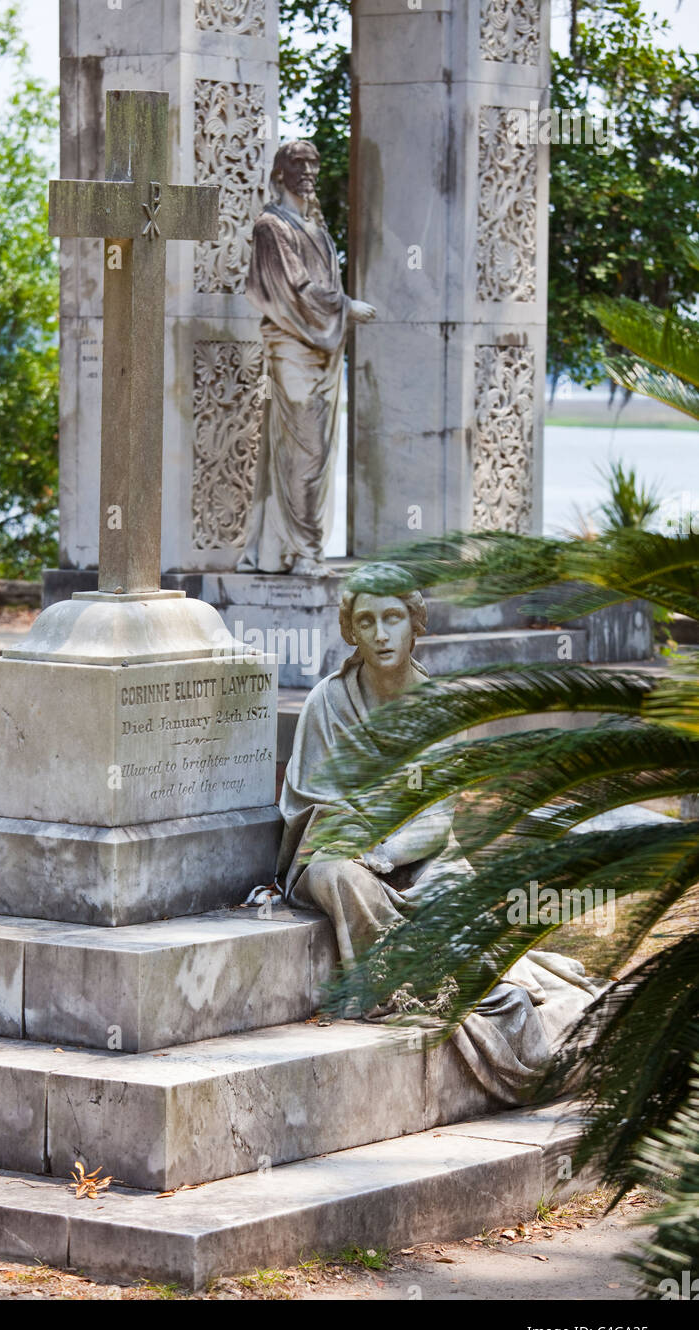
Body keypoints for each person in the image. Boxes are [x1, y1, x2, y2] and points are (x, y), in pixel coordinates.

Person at [278, 564, 602, 1103]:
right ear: (351, 630)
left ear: (415, 624)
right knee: (339, 878)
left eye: (393, 618)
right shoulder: (326, 703)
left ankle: (466, 982)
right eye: (366, 621)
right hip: (335, 849)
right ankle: (405, 985)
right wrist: (357, 846)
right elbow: (309, 802)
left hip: (417, 852)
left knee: (454, 888)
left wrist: (386, 854)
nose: (381, 634)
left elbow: (435, 817)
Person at [236, 140, 376, 577]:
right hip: (291, 347)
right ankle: (304, 551)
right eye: (299, 164)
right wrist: (346, 307)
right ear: (280, 173)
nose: (309, 172)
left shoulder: (316, 228)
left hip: (322, 350)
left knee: (315, 451)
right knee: (306, 449)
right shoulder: (271, 227)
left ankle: (286, 550)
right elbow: (292, 289)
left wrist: (338, 313)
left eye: (314, 164)